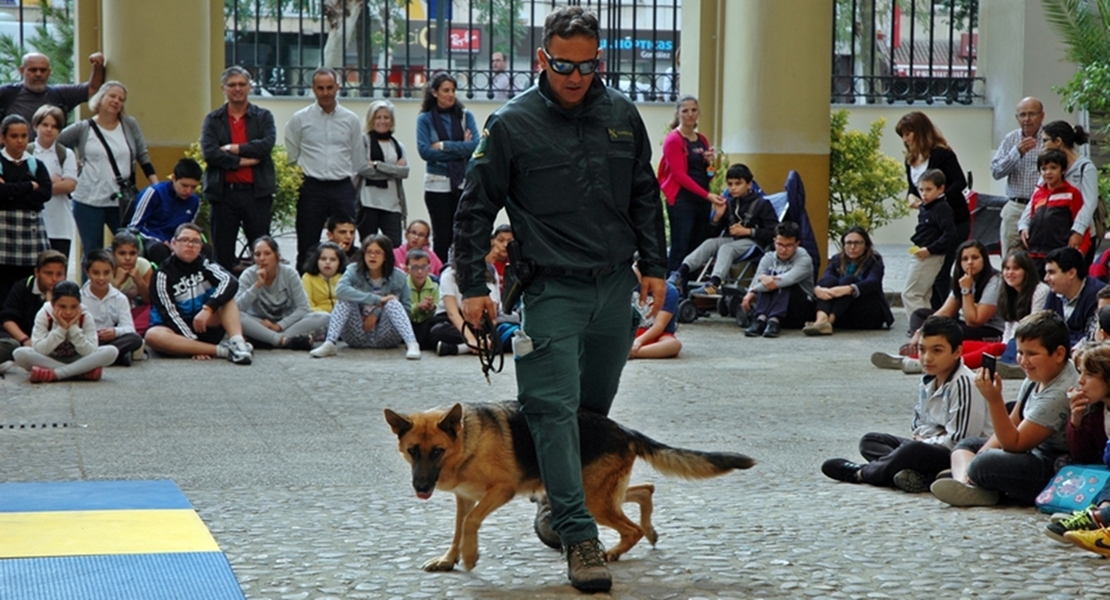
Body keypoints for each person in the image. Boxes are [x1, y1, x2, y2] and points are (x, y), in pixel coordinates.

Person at [453, 7, 668, 592]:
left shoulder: (622, 115)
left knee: (589, 416)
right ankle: (579, 536)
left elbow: (645, 194)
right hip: (549, 289)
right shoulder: (511, 123)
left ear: (600, 60)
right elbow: (474, 209)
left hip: (613, 290)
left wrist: (656, 266)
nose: (576, 77)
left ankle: (556, 495)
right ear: (542, 59)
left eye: (588, 65)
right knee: (550, 412)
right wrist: (472, 284)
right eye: (564, 65)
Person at [821, 316, 990, 492]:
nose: (927, 358)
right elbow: (918, 426)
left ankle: (861, 473)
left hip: (963, 455)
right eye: (922, 350)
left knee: (913, 451)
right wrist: (931, 436)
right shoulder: (929, 379)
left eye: (937, 351)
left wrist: (925, 441)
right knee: (871, 441)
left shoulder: (965, 383)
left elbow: (959, 440)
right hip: (933, 445)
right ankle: (919, 476)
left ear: (956, 352)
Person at [930, 310, 1076, 507]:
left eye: (1032, 354)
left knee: (985, 463)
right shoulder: (1037, 376)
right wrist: (980, 453)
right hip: (1031, 452)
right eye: (1020, 352)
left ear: (1059, 353)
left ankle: (970, 479)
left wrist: (994, 400)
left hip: (1054, 465)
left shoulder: (1060, 391)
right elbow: (1014, 420)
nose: (1023, 361)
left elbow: (1015, 443)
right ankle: (968, 483)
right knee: (968, 446)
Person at [57, 80, 158, 253]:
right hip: (88, 198)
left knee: (131, 247)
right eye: (112, 96)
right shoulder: (83, 128)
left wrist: (156, 186)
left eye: (121, 99)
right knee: (92, 251)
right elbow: (56, 143)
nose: (116, 101)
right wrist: (71, 162)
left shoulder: (129, 124)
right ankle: (89, 281)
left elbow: (142, 154)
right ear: (101, 98)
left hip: (121, 199)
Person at [285, 67, 364, 272]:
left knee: (345, 242)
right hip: (312, 186)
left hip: (342, 187)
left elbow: (358, 159)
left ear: (337, 87)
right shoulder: (299, 119)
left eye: (330, 87)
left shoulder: (351, 119)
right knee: (307, 243)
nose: (326, 92)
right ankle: (304, 290)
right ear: (313, 89)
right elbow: (291, 157)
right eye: (321, 88)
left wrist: (349, 187)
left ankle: (346, 286)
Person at [201, 66, 277, 272]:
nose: (237, 89)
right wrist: (242, 161)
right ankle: (223, 299)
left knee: (261, 251)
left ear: (250, 87)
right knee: (222, 253)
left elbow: (265, 145)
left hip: (256, 193)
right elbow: (210, 153)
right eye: (232, 85)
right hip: (224, 194)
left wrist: (233, 149)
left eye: (242, 84)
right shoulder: (213, 119)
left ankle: (263, 297)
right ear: (223, 89)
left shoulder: (263, 117)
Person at [143, 223, 253, 365]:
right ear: (173, 244)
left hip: (205, 323)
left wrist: (208, 308)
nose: (190, 245)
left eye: (195, 241)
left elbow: (230, 281)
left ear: (201, 247)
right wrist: (193, 344)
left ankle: (238, 343)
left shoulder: (206, 265)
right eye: (184, 240)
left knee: (227, 298)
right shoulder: (162, 275)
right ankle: (223, 351)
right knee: (153, 335)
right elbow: (170, 315)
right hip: (178, 333)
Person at [668, 163, 777, 296]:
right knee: (710, 243)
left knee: (726, 248)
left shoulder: (762, 204)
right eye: (730, 184)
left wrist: (748, 231)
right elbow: (711, 234)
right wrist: (717, 217)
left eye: (738, 184)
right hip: (733, 240)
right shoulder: (729, 204)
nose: (733, 188)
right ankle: (679, 273)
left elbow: (774, 232)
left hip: (754, 243)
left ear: (749, 184)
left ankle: (714, 283)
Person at [896, 112, 968, 308]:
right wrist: (911, 196)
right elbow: (913, 186)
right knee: (930, 272)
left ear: (920, 132)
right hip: (929, 224)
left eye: (908, 134)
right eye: (902, 135)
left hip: (952, 218)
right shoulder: (910, 159)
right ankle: (931, 315)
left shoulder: (942, 154)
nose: (906, 139)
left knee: (941, 271)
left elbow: (959, 181)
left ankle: (943, 315)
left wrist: (938, 198)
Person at [309, 234, 421, 360]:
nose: (372, 256)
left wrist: (377, 312)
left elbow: (406, 308)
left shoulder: (399, 276)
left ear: (386, 256)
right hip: (357, 333)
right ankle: (330, 343)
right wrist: (377, 299)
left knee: (393, 302)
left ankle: (412, 343)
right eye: (369, 252)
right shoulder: (353, 270)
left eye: (378, 252)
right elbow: (340, 291)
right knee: (345, 300)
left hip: (386, 335)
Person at [1043, 342, 1110, 546]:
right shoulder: (1099, 411)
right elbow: (1083, 455)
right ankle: (1101, 515)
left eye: (1089, 375)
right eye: (1080, 373)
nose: (1080, 381)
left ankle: (1099, 517)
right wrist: (1077, 420)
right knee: (1065, 463)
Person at [416, 71, 478, 263]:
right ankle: (441, 275)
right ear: (434, 93)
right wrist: (461, 148)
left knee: (462, 234)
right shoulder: (425, 119)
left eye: (453, 90)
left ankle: (460, 273)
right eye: (445, 90)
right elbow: (425, 152)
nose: (450, 94)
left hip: (462, 182)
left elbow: (475, 146)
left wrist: (444, 145)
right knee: (442, 237)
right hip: (437, 183)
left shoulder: (465, 116)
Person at [658, 95, 721, 272]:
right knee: (680, 246)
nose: (690, 114)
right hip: (682, 200)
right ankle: (672, 289)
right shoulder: (674, 140)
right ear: (677, 114)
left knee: (697, 249)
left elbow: (709, 174)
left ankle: (689, 289)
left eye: (693, 110)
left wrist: (710, 164)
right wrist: (708, 195)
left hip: (701, 199)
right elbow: (679, 175)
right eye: (685, 111)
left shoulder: (702, 139)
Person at [12, 280, 118, 382]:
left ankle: (56, 374)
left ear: (80, 304)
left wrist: (73, 328)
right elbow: (39, 349)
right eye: (62, 306)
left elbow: (90, 351)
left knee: (111, 351)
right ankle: (81, 372)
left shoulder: (85, 316)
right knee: (20, 353)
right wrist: (61, 329)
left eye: (74, 307)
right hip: (49, 359)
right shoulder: (44, 314)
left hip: (79, 359)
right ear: (53, 304)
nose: (68, 312)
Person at [236, 236, 329, 350]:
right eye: (257, 254)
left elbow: (303, 308)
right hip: (260, 325)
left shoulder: (289, 273)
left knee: (324, 317)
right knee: (237, 317)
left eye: (267, 253)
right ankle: (283, 341)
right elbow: (237, 309)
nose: (262, 258)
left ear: (277, 256)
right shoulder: (248, 275)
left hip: (287, 325)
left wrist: (279, 326)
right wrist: (256, 286)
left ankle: (269, 340)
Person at [0, 114, 53, 304]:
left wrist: (10, 192)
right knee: (3, 278)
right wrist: (30, 186)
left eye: (24, 136)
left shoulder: (36, 165)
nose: (20, 141)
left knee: (28, 279)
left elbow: (45, 193)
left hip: (30, 229)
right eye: (14, 136)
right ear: (3, 138)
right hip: (4, 230)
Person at [803, 226, 893, 336]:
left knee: (849, 279)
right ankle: (821, 320)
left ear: (866, 245)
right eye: (848, 243)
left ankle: (828, 322)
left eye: (857, 243)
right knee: (829, 280)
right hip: (843, 314)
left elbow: (873, 282)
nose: (852, 247)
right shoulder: (837, 259)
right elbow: (825, 278)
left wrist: (849, 289)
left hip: (866, 312)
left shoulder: (874, 260)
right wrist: (818, 289)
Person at [991, 97, 1045, 259]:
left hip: (1042, 208)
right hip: (1016, 207)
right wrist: (1016, 153)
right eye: (1022, 115)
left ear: (1042, 116)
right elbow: (996, 172)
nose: (1026, 119)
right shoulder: (1011, 139)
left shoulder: (1049, 139)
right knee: (1011, 259)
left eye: (1031, 114)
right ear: (1017, 118)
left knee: (1039, 257)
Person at [741, 221, 815, 339]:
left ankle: (774, 320)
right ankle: (760, 320)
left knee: (781, 280)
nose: (783, 249)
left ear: (797, 244)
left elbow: (787, 279)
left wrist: (754, 289)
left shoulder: (804, 259)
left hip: (798, 309)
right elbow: (758, 276)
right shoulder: (768, 257)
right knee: (769, 275)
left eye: (789, 245)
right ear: (774, 241)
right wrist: (754, 288)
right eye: (780, 244)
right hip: (773, 306)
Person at [900, 169, 956, 322]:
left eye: (929, 189)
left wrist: (930, 249)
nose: (924, 194)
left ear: (941, 189)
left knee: (910, 293)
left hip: (930, 255)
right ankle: (926, 325)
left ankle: (919, 326)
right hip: (923, 252)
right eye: (921, 190)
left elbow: (949, 233)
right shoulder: (927, 206)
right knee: (923, 294)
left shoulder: (941, 208)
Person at [1038, 121, 1099, 261]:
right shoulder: (1049, 165)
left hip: (1080, 234)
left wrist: (1077, 230)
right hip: (1055, 233)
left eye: (1045, 141)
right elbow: (1038, 194)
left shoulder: (1086, 167)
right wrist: (1024, 224)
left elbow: (1090, 203)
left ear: (1058, 141)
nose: (1042, 146)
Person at [0, 250, 66, 375]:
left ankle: (62, 369)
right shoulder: (23, 287)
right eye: (48, 273)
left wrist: (50, 305)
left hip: (52, 345)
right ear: (37, 272)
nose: (54, 279)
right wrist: (25, 340)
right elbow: (7, 319)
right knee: (12, 346)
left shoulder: (68, 292)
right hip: (21, 341)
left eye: (59, 274)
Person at [126, 158, 203, 264]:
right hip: (152, 239)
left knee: (204, 249)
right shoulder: (154, 193)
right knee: (160, 250)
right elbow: (134, 227)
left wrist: (180, 242)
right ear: (173, 178)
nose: (188, 191)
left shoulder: (195, 201)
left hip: (178, 241)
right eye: (184, 186)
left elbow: (188, 228)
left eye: (193, 187)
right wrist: (161, 239)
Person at [1019, 149, 1089, 266]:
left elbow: (1083, 224)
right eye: (1044, 169)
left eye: (1053, 167)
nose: (1048, 172)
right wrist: (1024, 230)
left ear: (1063, 170)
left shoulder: (1072, 194)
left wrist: (1081, 251)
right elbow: (1031, 219)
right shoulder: (1037, 195)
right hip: (1034, 255)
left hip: (1059, 256)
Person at [0, 51, 105, 128]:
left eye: (43, 70)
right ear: (22, 70)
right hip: (14, 157)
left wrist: (97, 67)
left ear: (49, 72)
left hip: (52, 156)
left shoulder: (60, 94)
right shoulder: (6, 94)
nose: (38, 74)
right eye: (33, 70)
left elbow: (93, 89)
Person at [356, 100, 408, 246]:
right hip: (368, 202)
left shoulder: (398, 146)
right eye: (378, 117)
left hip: (392, 204)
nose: (382, 121)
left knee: (395, 245)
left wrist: (378, 165)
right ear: (371, 120)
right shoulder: (363, 142)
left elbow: (404, 172)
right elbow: (362, 169)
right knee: (368, 246)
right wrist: (393, 169)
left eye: (386, 117)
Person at [80, 249, 143, 366]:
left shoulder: (119, 298)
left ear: (113, 272)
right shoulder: (79, 297)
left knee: (135, 339)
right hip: (86, 340)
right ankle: (113, 358)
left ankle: (96, 358)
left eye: (106, 273)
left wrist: (115, 332)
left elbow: (129, 328)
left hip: (109, 341)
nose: (101, 278)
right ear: (87, 272)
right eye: (96, 273)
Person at [30, 104, 77, 258]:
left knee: (58, 268)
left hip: (60, 225)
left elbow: (70, 185)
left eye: (54, 126)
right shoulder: (26, 152)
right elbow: (19, 185)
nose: (49, 129)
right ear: (36, 125)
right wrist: (51, 181)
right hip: (31, 223)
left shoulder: (66, 154)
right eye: (45, 124)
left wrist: (37, 186)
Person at [430, 260, 499, 357]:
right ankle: (480, 346)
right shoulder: (448, 275)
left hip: (481, 319)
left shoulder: (490, 273)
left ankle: (459, 349)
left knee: (506, 332)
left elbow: (493, 311)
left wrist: (487, 333)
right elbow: (452, 314)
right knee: (438, 331)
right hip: (456, 321)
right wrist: (471, 339)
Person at [1042, 247, 1103, 352]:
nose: (1046, 278)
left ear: (1071, 273)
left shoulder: (1098, 296)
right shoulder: (1054, 293)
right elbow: (1044, 327)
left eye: (1051, 272)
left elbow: (1092, 339)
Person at [631, 266, 681, 359]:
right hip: (630, 331)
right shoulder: (628, 286)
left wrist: (638, 341)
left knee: (674, 344)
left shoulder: (670, 291)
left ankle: (632, 353)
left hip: (656, 334)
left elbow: (659, 326)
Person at [109, 231, 154, 334]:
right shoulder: (106, 268)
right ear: (113, 254)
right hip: (109, 316)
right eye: (122, 253)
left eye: (132, 253)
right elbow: (101, 303)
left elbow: (149, 300)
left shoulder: (143, 265)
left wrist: (139, 281)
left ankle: (128, 333)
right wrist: (117, 283)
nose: (128, 258)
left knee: (153, 311)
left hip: (132, 313)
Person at [405, 248, 440, 349]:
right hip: (408, 324)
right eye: (415, 267)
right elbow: (401, 311)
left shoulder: (435, 285)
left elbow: (439, 309)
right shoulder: (402, 285)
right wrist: (417, 306)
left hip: (426, 323)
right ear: (407, 269)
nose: (420, 272)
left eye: (424, 267)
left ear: (429, 268)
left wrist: (431, 307)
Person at [300, 241, 346, 313]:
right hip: (317, 317)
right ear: (316, 260)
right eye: (323, 259)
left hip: (341, 316)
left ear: (340, 262)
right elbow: (307, 305)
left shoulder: (345, 277)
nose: (327, 262)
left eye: (333, 259)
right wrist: (326, 314)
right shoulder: (308, 278)